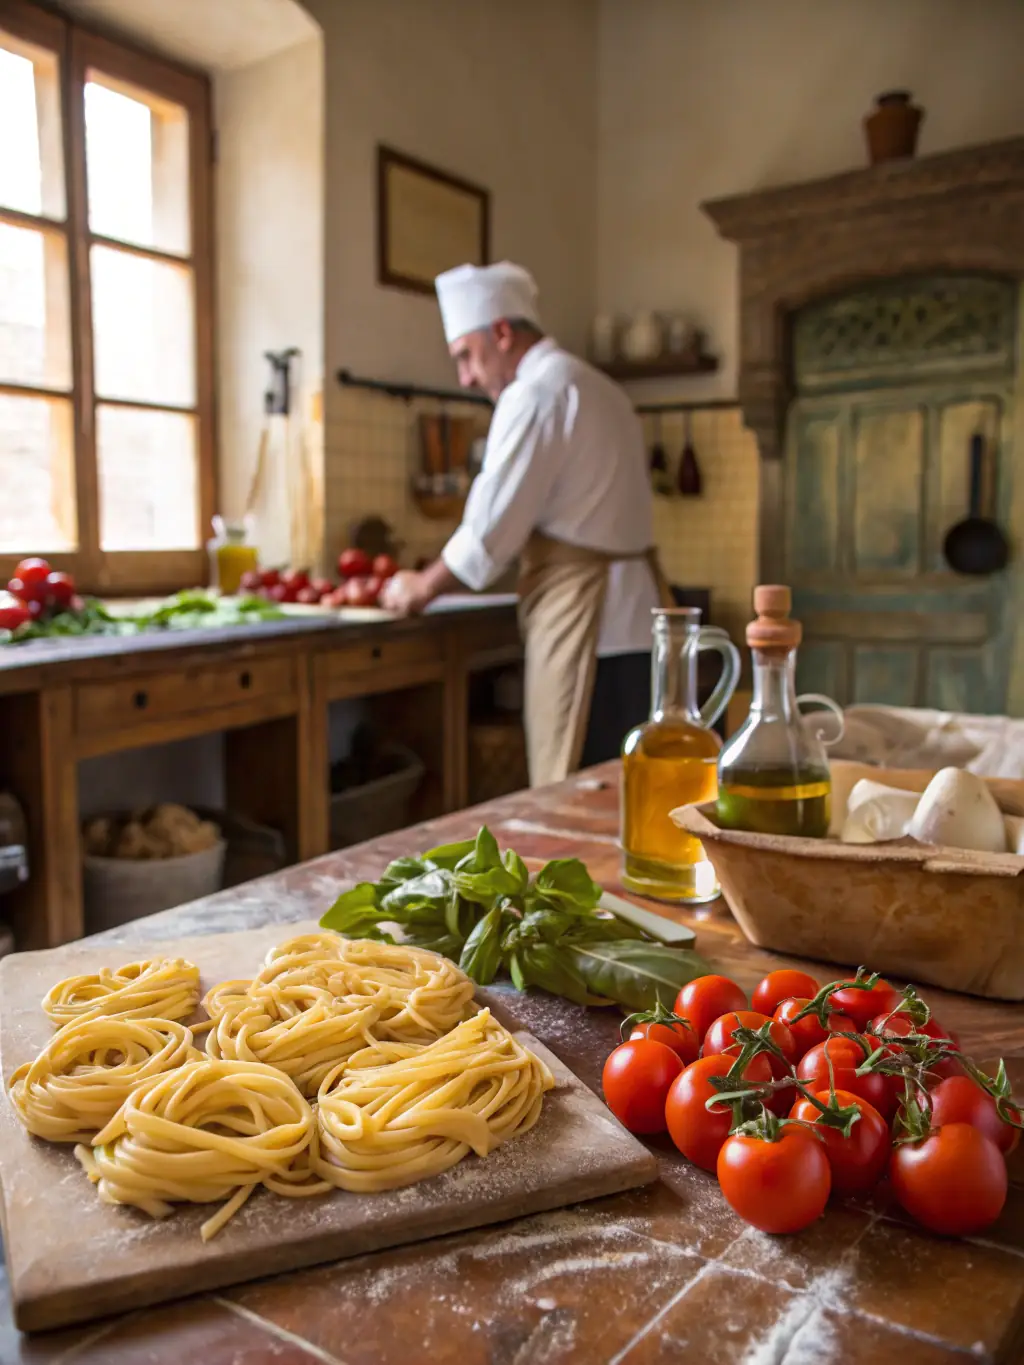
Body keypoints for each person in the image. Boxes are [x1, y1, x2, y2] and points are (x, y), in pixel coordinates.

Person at [381, 260, 672, 787]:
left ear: (502, 332)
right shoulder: (601, 388)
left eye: (466, 356)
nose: (466, 377)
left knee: (578, 795)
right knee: (631, 796)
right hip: (641, 625)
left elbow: (491, 531)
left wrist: (420, 587)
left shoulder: (536, 393)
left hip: (588, 627)